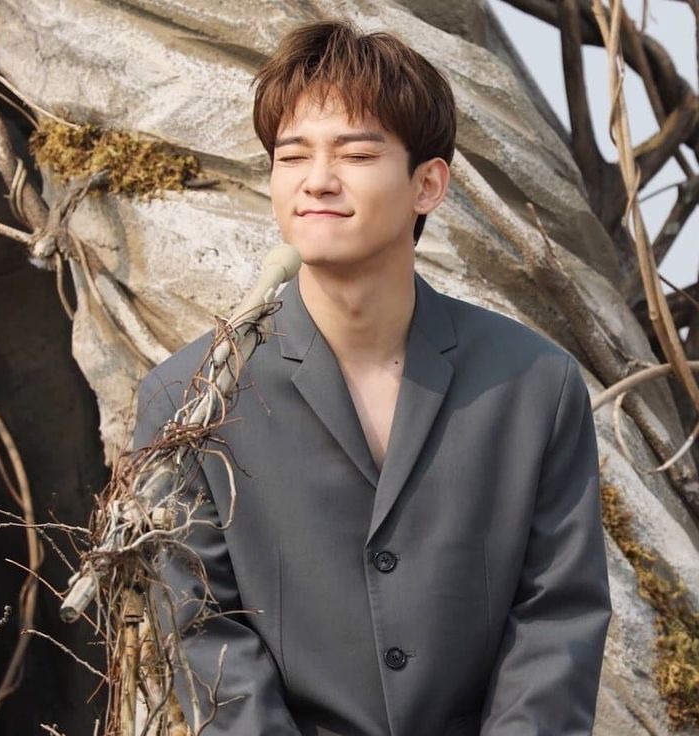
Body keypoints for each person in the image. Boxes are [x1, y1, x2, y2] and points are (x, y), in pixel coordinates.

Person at [133, 19, 612, 736]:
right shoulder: (189, 397)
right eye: (291, 156)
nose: (317, 181)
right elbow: (204, 635)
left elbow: (557, 617)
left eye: (355, 153)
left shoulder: (534, 384)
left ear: (429, 184)